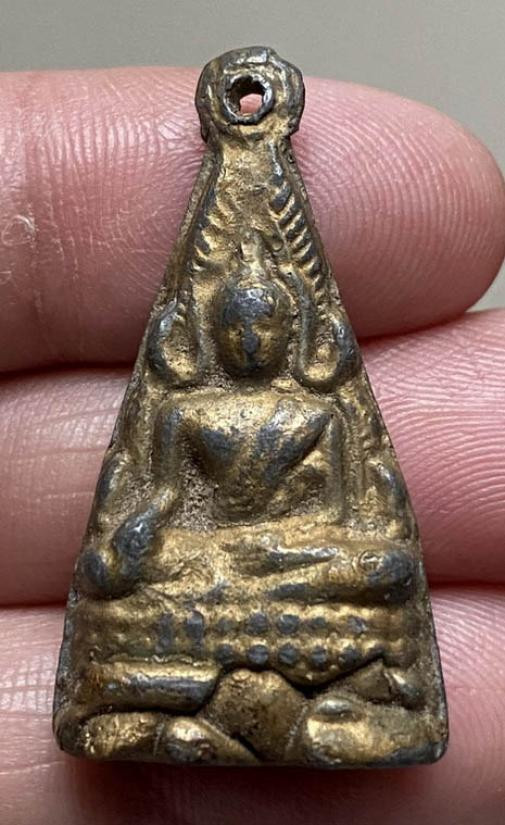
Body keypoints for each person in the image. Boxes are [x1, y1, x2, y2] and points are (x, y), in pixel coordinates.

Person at [0, 64, 504, 823]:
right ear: (212, 329)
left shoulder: (322, 414)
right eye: (233, 325)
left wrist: (292, 553)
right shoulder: (184, 410)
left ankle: (171, 692)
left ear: (289, 330)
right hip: (209, 565)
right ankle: (340, 692)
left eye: (263, 325)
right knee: (113, 582)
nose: (247, 339)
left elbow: (355, 523)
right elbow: (162, 500)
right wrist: (139, 539)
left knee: (386, 568)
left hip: (292, 564)